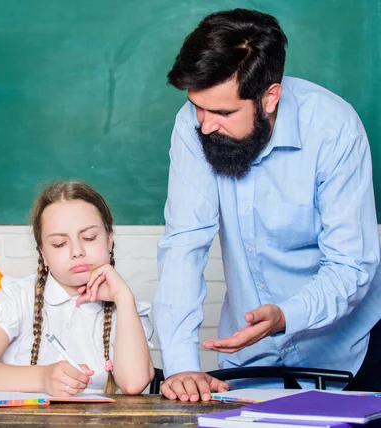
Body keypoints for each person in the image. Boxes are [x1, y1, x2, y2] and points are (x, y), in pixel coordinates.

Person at [154, 8, 381, 402]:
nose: (205, 125)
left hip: (353, 354)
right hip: (251, 361)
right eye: (197, 107)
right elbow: (184, 245)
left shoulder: (334, 129)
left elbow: (351, 265)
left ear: (269, 97)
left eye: (223, 112)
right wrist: (181, 364)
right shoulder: (194, 125)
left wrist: (285, 315)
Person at [0, 181, 154, 395]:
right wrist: (43, 378)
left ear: (109, 240)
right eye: (60, 244)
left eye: (89, 237)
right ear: (43, 253)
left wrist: (123, 298)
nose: (77, 251)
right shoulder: (18, 297)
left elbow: (134, 384)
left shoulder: (125, 306)